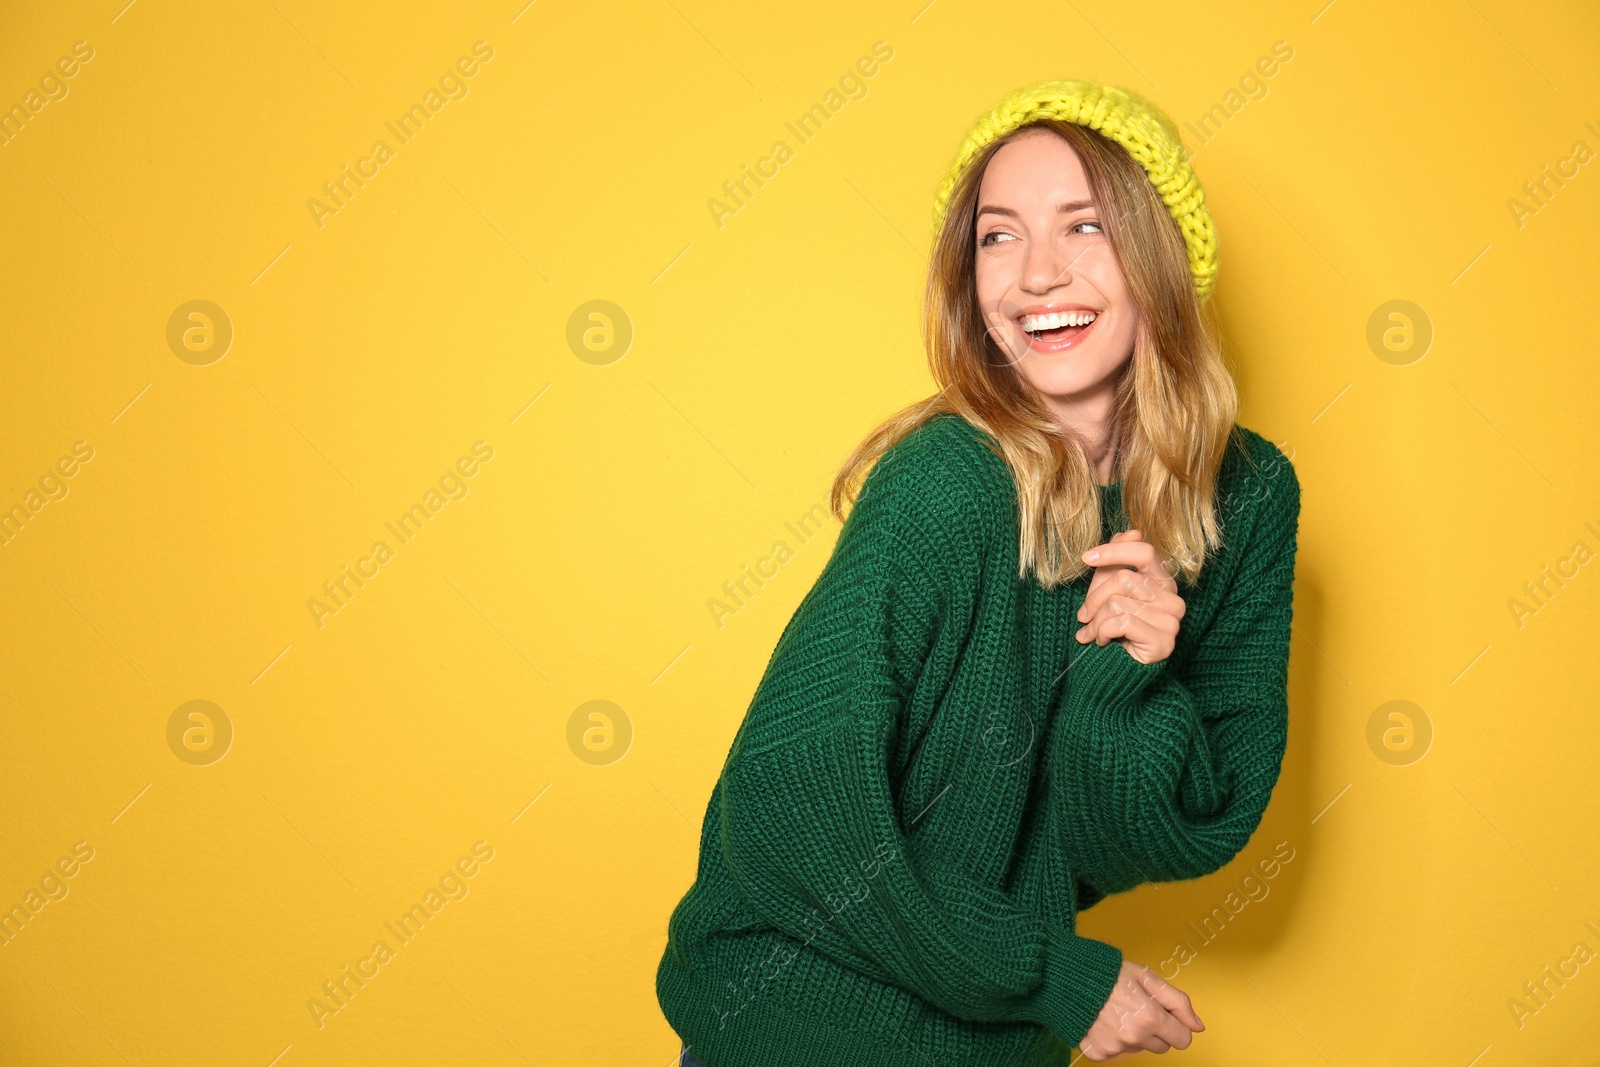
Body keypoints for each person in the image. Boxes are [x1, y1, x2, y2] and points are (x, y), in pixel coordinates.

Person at [656, 78, 1303, 1066]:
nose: (1036, 273)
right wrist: (1057, 976)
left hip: (986, 1041)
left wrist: (1122, 683)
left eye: (1083, 225)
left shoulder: (1246, 498)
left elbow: (1167, 837)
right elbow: (792, 806)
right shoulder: (944, 485)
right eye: (997, 236)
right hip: (791, 1028)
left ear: (1160, 255)